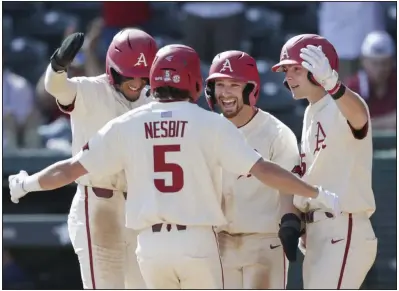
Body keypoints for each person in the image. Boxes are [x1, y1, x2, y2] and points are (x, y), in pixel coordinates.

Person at [9, 44, 339, 289]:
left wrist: (26, 184)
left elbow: (68, 170)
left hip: (151, 247)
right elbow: (264, 170)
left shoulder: (128, 122)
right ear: (196, 81)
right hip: (198, 242)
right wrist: (314, 192)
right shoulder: (211, 124)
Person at [40, 28, 157, 289]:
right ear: (114, 69)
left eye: (143, 75)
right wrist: (58, 65)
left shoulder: (153, 100)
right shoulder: (89, 90)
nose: (137, 82)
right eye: (130, 75)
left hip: (139, 208)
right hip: (97, 206)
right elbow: (56, 86)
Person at [271, 34, 377, 289]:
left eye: (296, 69)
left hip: (343, 224)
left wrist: (332, 83)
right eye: (286, 70)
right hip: (319, 230)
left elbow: (360, 118)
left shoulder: (340, 102)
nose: (288, 77)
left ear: (319, 69)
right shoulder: (311, 111)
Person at [205, 50, 301, 289]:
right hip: (218, 243)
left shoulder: (277, 133)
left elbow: (288, 185)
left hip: (264, 243)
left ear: (251, 89)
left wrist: (290, 221)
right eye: (219, 85)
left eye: (234, 85)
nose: (225, 93)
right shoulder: (205, 130)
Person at [346, 31, 396, 130]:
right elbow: (349, 126)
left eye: (385, 63)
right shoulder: (353, 87)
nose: (380, 69)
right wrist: (388, 122)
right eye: (375, 63)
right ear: (364, 61)